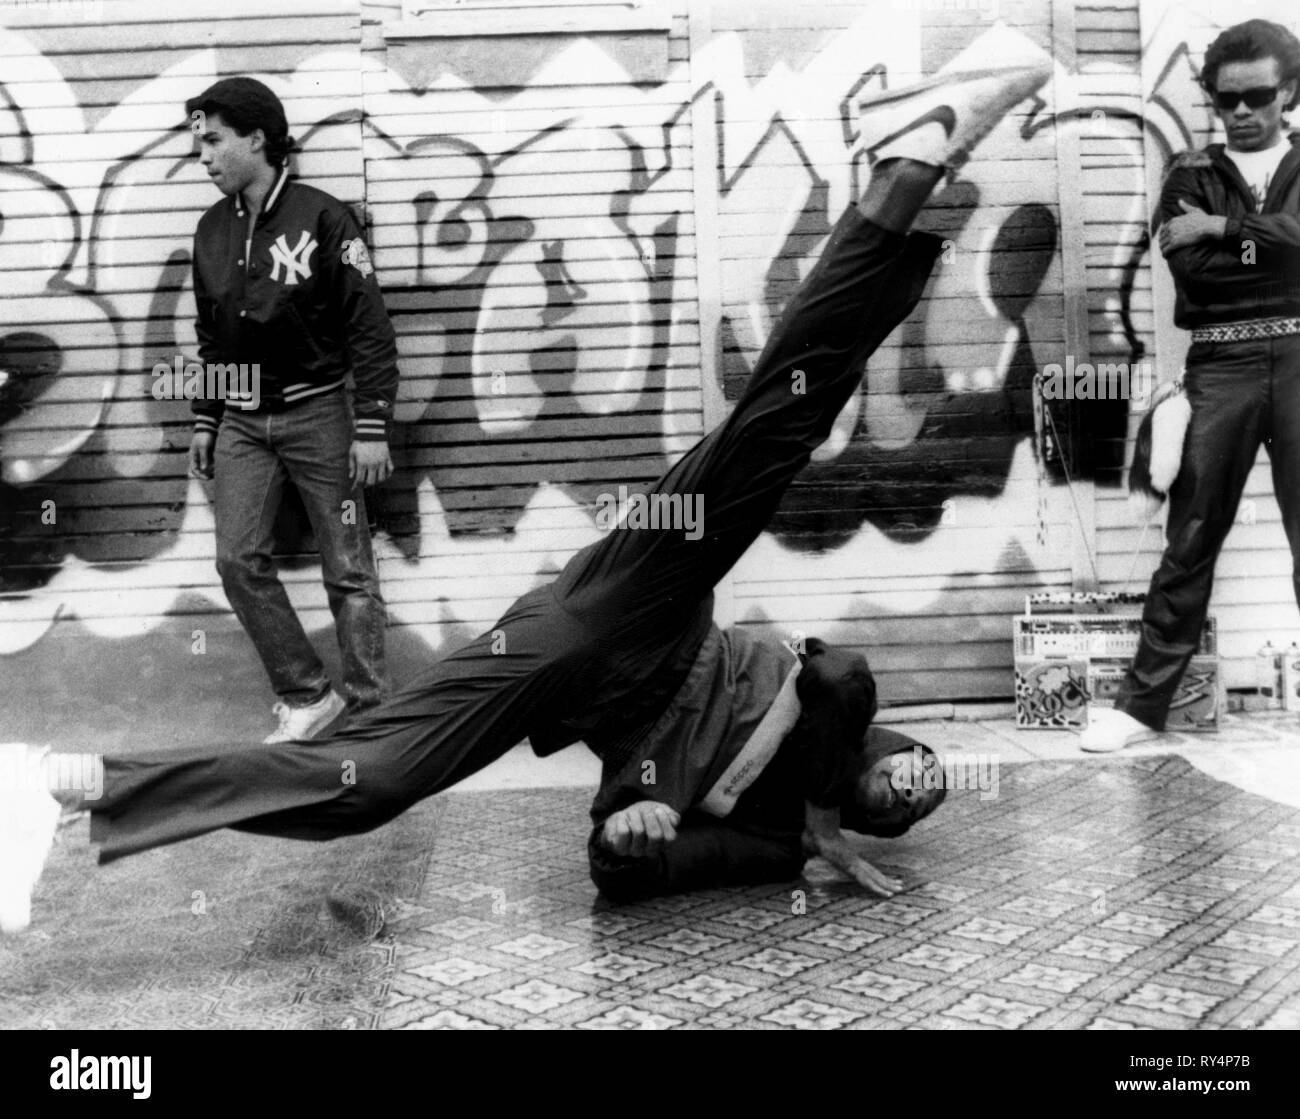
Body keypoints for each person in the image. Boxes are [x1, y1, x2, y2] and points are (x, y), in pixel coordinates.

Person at [0, 25, 1053, 934]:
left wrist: (643, 826)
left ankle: (74, 784)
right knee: (777, 425)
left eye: (906, 806)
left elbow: (619, 862)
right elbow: (842, 676)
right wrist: (824, 810)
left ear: (880, 824)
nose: (913, 787)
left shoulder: (777, 837)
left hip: (575, 662)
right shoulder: (837, 727)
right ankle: (909, 166)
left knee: (374, 783)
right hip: (645, 601)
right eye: (921, 774)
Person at [1083, 19, 1300, 752]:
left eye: (1257, 96)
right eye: (1224, 99)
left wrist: (1224, 229)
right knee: (1192, 536)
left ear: (1289, 91)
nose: (1240, 112)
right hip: (1221, 361)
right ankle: (1140, 707)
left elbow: (1227, 253)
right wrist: (1261, 240)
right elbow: (1194, 273)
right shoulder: (1189, 173)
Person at [187, 77, 400, 743]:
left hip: (320, 416)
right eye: (199, 144)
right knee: (237, 560)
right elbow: (212, 335)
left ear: (257, 138)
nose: (204, 156)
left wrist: (372, 423)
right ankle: (308, 694)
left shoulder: (324, 217)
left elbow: (369, 328)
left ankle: (372, 717)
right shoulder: (211, 230)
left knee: (349, 570)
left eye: (214, 140)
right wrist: (207, 417)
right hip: (243, 424)